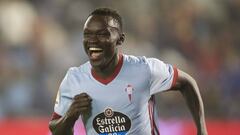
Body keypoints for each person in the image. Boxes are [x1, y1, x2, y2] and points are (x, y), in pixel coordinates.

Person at [49, 8, 208, 135]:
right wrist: (71, 115)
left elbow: (186, 83)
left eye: (102, 34)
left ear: (120, 39)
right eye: (87, 34)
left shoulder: (145, 69)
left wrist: (202, 130)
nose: (92, 41)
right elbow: (56, 130)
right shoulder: (74, 78)